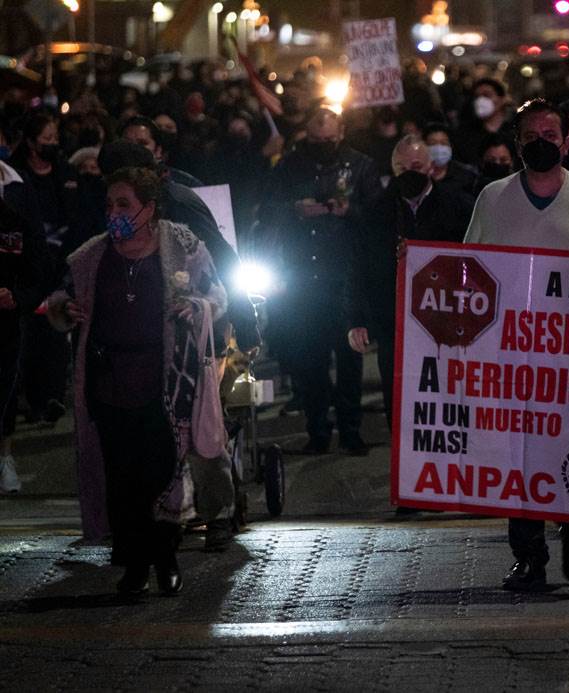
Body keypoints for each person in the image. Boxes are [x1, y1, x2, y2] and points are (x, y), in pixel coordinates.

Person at [463, 98, 569, 592]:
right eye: (530, 135)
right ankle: (528, 554)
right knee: (521, 453)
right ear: (517, 143)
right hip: (513, 353)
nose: (541, 143)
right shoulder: (492, 199)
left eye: (550, 135)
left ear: (567, 141)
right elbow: (467, 265)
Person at [46, 166, 227, 595]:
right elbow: (60, 297)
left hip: (164, 382)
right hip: (109, 383)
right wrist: (64, 309)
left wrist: (198, 305)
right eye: (109, 205)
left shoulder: (182, 246)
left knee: (161, 473)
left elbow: (218, 293)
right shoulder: (93, 255)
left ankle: (164, 556)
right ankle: (135, 565)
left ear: (149, 208)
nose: (114, 213)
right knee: (122, 477)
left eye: (123, 204)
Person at [256, 109, 381, 455]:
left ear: (341, 133)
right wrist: (296, 210)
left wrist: (349, 211)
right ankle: (318, 430)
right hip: (302, 276)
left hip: (345, 277)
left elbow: (377, 214)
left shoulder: (361, 166)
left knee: (349, 358)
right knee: (309, 359)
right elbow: (266, 210)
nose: (324, 146)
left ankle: (351, 429)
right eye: (316, 141)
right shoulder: (289, 167)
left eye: (330, 140)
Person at [348, 136, 474, 430]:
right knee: (400, 395)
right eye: (401, 168)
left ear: (431, 167)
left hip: (447, 319)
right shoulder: (376, 213)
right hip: (395, 320)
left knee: (448, 395)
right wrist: (357, 319)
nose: (409, 174)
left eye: (416, 166)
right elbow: (359, 269)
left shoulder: (458, 206)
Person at [10, 111, 76, 425]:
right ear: (31, 143)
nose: (52, 144)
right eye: (46, 138)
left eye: (55, 138)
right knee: (29, 336)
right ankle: (29, 397)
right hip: (29, 263)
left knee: (55, 332)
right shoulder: (17, 175)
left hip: (60, 263)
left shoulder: (64, 172)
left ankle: (50, 397)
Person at [0, 198, 49, 493]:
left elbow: (38, 275)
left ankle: (5, 458)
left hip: (5, 327)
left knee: (4, 395)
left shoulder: (16, 219)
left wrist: (16, 297)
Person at [120, 115, 203, 188]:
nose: (133, 148)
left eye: (142, 143)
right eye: (127, 143)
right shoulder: (108, 182)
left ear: (158, 151)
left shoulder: (186, 184)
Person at [454, 78, 514, 167]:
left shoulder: (514, 130)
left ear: (502, 99)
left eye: (487, 95)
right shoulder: (465, 133)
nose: (481, 101)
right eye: (477, 97)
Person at [422, 121, 478, 198]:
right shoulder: (419, 175)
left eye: (444, 143)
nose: (439, 147)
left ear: (451, 147)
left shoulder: (466, 176)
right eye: (433, 143)